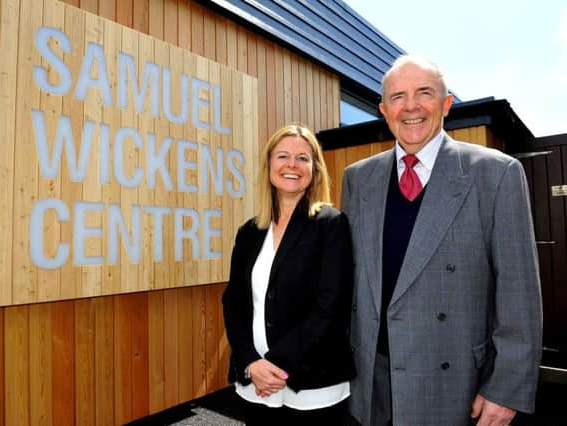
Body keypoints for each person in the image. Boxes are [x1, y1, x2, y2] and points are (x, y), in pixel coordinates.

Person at [341, 54, 542, 426]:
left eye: (424, 93)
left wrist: (506, 388)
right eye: (398, 97)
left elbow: (519, 295)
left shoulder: (496, 174)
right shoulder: (358, 179)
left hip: (454, 386)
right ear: (384, 110)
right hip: (371, 385)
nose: (411, 107)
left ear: (447, 104)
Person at [222, 124, 355, 425]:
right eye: (283, 156)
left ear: (315, 168)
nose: (292, 165)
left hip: (313, 384)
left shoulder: (331, 225)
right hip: (255, 382)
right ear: (269, 165)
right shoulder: (250, 231)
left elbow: (330, 308)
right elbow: (233, 303)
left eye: (303, 158)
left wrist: (274, 366)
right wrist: (251, 362)